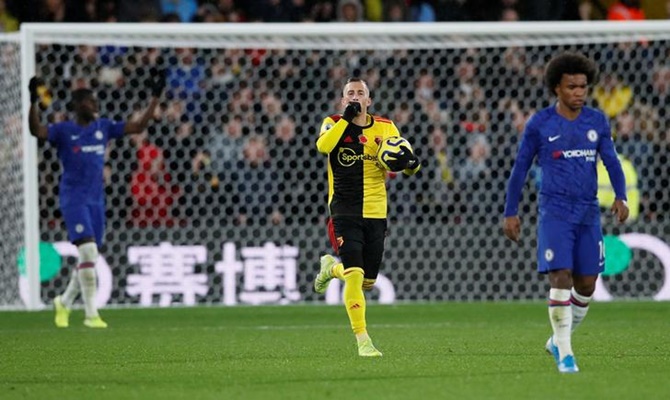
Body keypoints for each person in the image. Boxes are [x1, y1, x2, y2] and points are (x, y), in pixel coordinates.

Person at [502, 52, 629, 373]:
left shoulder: (597, 121)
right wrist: (510, 211)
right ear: (556, 88)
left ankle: (557, 339)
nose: (579, 92)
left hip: (588, 212)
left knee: (586, 283)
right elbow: (520, 168)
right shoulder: (540, 123)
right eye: (572, 87)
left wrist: (621, 195)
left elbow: (611, 161)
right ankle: (566, 353)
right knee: (560, 276)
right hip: (555, 211)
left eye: (583, 87)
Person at [28, 69, 166, 328]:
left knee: (87, 256)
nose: (95, 106)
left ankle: (65, 301)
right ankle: (91, 314)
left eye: (95, 102)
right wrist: (33, 101)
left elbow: (138, 126)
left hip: (96, 202)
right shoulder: (64, 131)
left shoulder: (104, 127)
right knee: (88, 250)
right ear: (78, 106)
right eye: (90, 102)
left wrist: (155, 99)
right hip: (74, 199)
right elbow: (37, 130)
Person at [313, 77, 421, 357]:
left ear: (369, 100)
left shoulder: (385, 127)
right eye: (350, 93)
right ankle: (363, 341)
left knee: (367, 282)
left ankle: (330, 268)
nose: (355, 96)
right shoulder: (333, 122)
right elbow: (324, 147)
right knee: (354, 274)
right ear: (343, 100)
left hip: (376, 212)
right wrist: (346, 120)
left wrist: (411, 165)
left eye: (361, 93)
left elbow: (401, 162)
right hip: (343, 210)